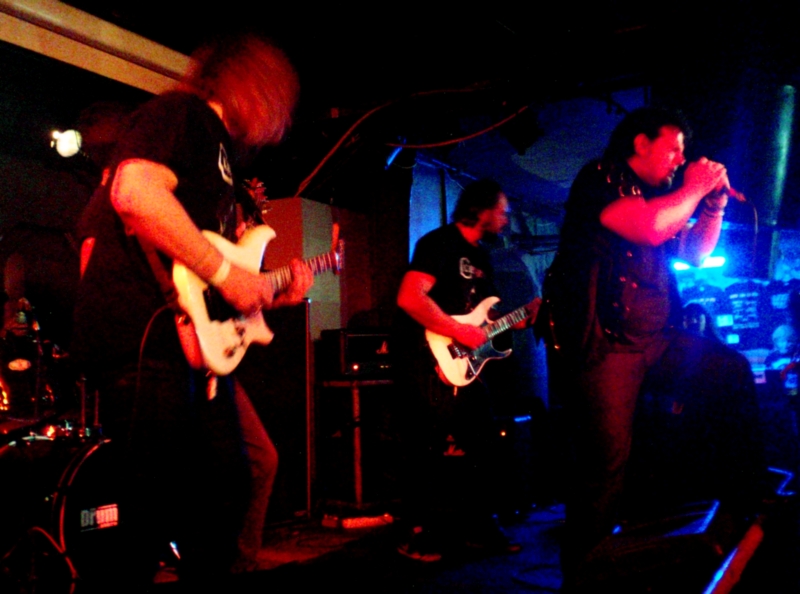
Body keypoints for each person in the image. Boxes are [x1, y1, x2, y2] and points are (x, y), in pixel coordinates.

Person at [72, 33, 312, 590]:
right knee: (151, 518)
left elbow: (199, 268)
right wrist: (229, 277)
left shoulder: (220, 155)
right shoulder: (184, 115)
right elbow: (135, 191)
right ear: (257, 88)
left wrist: (262, 292)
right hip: (145, 340)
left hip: (184, 349)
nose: (282, 119)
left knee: (223, 489)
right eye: (281, 100)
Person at [537, 107, 765, 588]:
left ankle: (746, 506)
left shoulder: (660, 197)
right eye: (674, 148)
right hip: (607, 344)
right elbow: (648, 228)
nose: (681, 159)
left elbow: (695, 253)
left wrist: (713, 207)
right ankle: (584, 577)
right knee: (605, 463)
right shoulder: (601, 177)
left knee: (728, 370)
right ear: (640, 143)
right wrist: (696, 186)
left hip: (656, 338)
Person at [393, 179, 538, 562]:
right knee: (424, 450)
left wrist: (523, 318)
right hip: (429, 361)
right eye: (502, 211)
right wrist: (458, 332)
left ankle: (480, 527)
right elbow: (409, 297)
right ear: (482, 209)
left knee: (486, 444)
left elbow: (485, 322)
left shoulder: (483, 258)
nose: (506, 219)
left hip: (467, 368)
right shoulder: (439, 243)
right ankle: (414, 533)